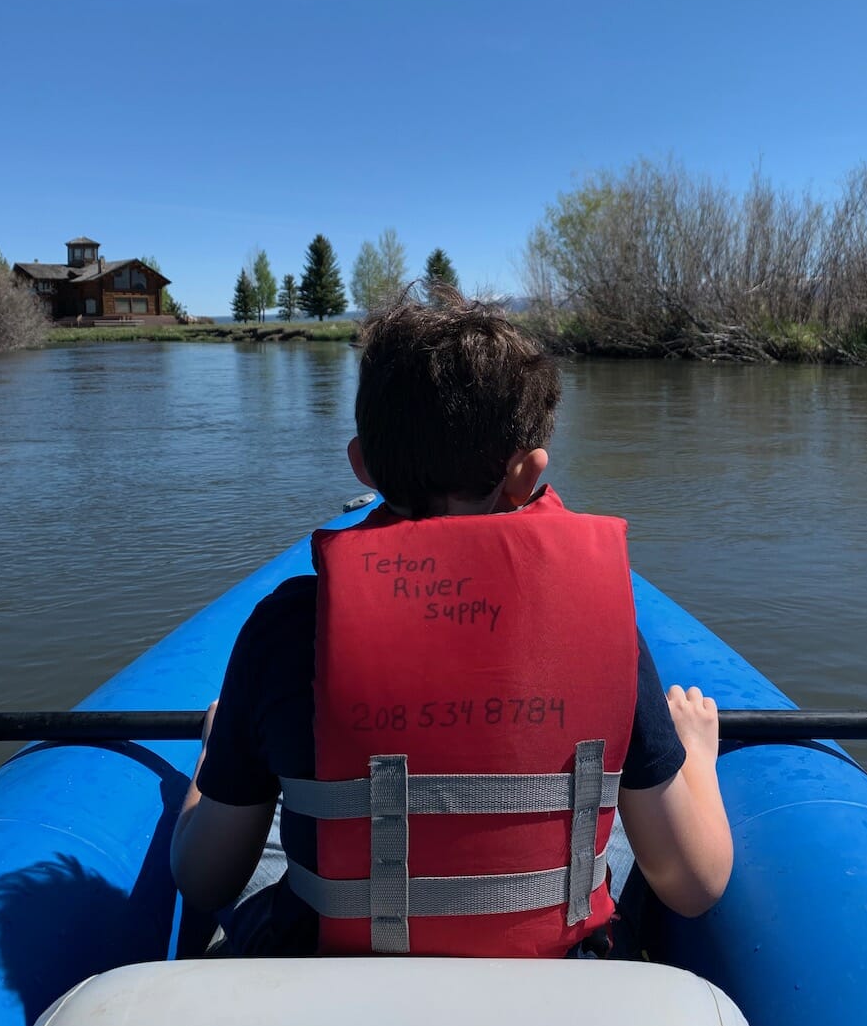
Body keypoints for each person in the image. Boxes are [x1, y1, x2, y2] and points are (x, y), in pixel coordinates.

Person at [171, 292, 732, 957]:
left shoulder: (285, 629)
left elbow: (203, 879)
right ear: (528, 474)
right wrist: (695, 750)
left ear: (365, 466)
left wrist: (211, 762)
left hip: (332, 984)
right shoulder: (605, 633)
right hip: (556, 985)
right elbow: (695, 884)